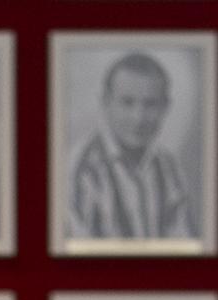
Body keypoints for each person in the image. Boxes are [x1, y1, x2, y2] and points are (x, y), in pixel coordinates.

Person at [67, 51, 194, 243]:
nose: (138, 118)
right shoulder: (81, 170)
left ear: (166, 107)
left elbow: (185, 242)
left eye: (150, 104)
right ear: (106, 102)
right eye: (127, 103)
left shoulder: (169, 168)